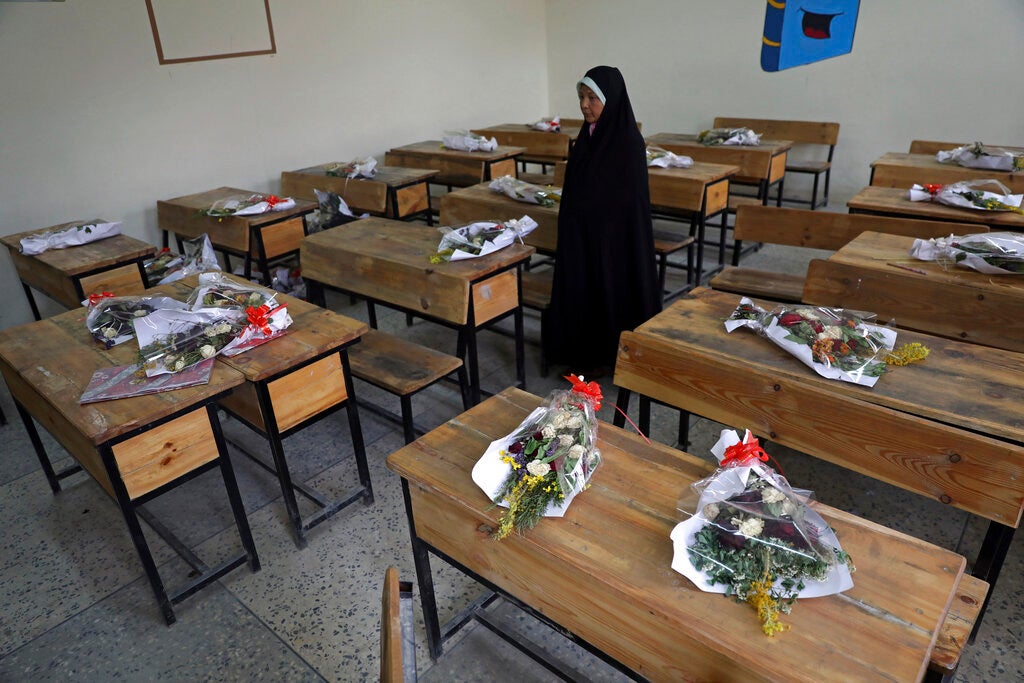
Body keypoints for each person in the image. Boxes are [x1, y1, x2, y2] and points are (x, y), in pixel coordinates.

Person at [544, 65, 661, 377]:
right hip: (582, 235)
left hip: (614, 243)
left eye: (592, 98)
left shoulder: (628, 144)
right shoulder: (585, 139)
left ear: (611, 100)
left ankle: (607, 356)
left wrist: (596, 221)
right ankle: (581, 352)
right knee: (582, 291)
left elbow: (628, 204)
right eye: (581, 97)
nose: (584, 105)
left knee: (607, 292)